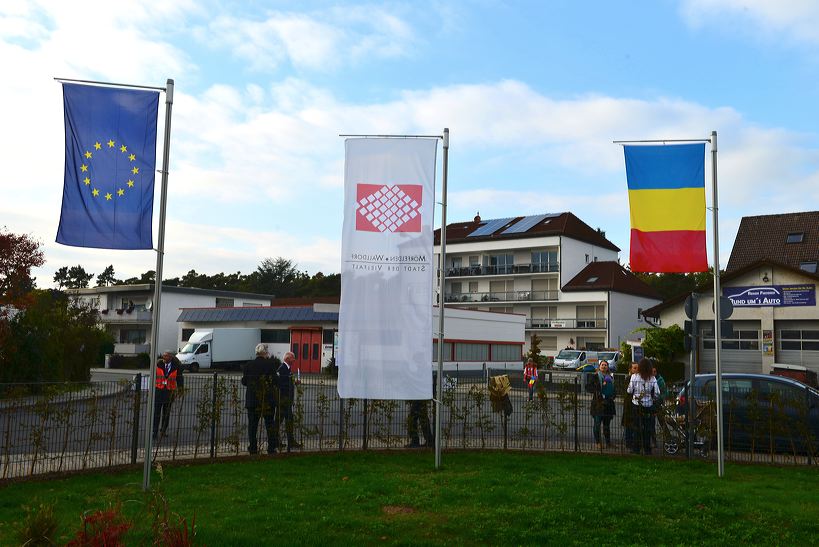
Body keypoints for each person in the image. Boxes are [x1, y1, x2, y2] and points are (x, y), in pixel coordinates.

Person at [242, 344, 279, 455]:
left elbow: (244, 381)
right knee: (269, 424)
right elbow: (275, 381)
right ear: (265, 353)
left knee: (252, 426)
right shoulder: (270, 365)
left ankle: (253, 448)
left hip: (252, 400)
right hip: (267, 400)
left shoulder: (248, 365)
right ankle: (271, 448)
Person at [627, 357, 661, 455]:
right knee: (648, 428)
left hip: (636, 404)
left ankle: (636, 449)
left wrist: (635, 394)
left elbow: (629, 390)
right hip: (648, 405)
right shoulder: (653, 378)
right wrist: (651, 397)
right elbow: (657, 393)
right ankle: (647, 449)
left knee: (637, 427)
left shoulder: (634, 377)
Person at [153, 351, 182, 442]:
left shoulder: (176, 367)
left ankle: (163, 430)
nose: (164, 357)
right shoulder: (158, 365)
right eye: (163, 355)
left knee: (166, 413)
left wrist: (181, 389)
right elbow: (153, 377)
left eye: (166, 356)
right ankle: (155, 431)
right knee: (156, 413)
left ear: (170, 358)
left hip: (169, 392)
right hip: (159, 392)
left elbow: (180, 378)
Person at [277, 351, 302, 451]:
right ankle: (278, 441)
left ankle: (289, 441)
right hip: (283, 400)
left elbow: (288, 382)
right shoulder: (282, 369)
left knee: (287, 421)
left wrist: (294, 382)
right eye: (293, 358)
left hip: (287, 400)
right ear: (287, 358)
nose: (294, 360)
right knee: (279, 421)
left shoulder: (288, 369)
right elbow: (280, 384)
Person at [589, 360, 616, 449]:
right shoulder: (595, 377)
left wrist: (612, 396)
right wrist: (596, 391)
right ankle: (598, 442)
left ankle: (608, 442)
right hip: (598, 404)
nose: (604, 366)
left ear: (607, 367)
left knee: (607, 425)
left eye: (605, 365)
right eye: (602, 365)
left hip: (608, 403)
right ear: (599, 366)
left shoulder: (611, 377)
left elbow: (614, 389)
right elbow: (588, 387)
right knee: (597, 423)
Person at [650, 363, 669, 447]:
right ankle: (654, 441)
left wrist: (659, 400)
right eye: (651, 371)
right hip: (651, 404)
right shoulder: (649, 379)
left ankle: (668, 439)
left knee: (662, 422)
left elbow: (664, 393)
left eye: (654, 371)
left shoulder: (660, 380)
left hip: (659, 404)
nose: (653, 373)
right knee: (651, 423)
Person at [621, 362, 638, 449]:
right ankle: (628, 443)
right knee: (629, 426)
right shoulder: (628, 379)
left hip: (636, 405)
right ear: (630, 369)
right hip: (629, 405)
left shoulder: (639, 379)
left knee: (635, 425)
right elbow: (627, 392)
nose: (636, 370)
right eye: (634, 368)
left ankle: (634, 442)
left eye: (637, 368)